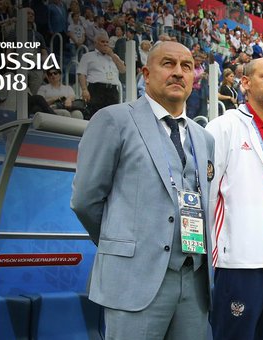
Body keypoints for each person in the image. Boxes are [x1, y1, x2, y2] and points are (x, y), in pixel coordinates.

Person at [71, 41, 214, 339]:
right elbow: (85, 200)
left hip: (194, 280)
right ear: (146, 74)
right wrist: (125, 243)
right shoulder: (114, 120)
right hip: (135, 279)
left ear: (193, 78)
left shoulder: (204, 138)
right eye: (168, 64)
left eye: (186, 66)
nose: (178, 73)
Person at [205, 57, 263, 340]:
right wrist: (218, 251)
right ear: (245, 83)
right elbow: (209, 197)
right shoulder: (223, 127)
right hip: (241, 262)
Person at [77, 32, 126, 118]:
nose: (105, 44)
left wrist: (112, 55)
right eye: (102, 42)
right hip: (96, 89)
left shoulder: (114, 57)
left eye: (107, 42)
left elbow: (123, 69)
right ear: (96, 43)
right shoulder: (88, 56)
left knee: (112, 117)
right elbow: (81, 73)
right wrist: (84, 89)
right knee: (95, 116)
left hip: (112, 90)